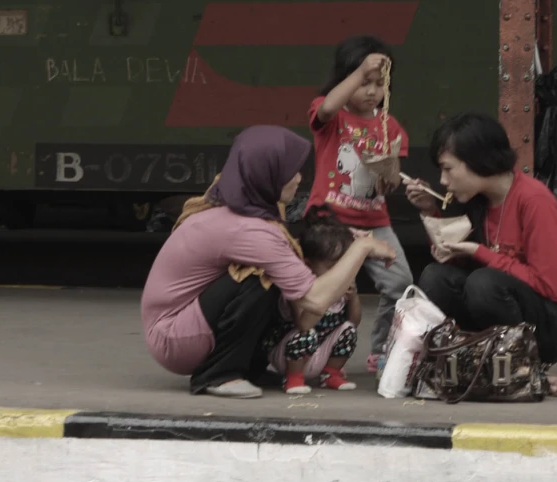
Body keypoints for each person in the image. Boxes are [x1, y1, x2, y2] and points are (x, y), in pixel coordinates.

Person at [141, 125, 397, 399]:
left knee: (277, 276)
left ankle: (246, 368)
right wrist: (361, 247)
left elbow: (284, 248)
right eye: (290, 171)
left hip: (180, 328)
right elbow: (314, 299)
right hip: (175, 338)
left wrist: (346, 239)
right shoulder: (250, 229)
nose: (299, 178)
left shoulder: (237, 195)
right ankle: (218, 374)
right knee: (257, 281)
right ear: (268, 175)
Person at [405, 112, 557, 396]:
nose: (443, 180)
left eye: (448, 169)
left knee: (483, 283)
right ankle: (452, 362)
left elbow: (546, 284)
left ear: (478, 160)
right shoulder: (478, 201)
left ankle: (527, 369)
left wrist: (481, 252)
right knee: (435, 276)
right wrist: (430, 210)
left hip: (553, 326)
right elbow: (457, 267)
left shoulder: (534, 201)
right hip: (500, 312)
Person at [305, 35, 412, 374]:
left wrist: (388, 176)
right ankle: (303, 352)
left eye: (379, 84)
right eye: (363, 82)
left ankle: (381, 351)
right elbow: (325, 108)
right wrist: (361, 69)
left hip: (374, 223)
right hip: (330, 220)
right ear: (345, 79)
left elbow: (391, 181)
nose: (371, 91)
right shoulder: (333, 118)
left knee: (400, 284)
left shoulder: (390, 127)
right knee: (322, 292)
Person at [262, 205, 362, 394]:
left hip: (320, 351)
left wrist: (354, 296)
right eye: (333, 267)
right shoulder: (299, 287)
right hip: (288, 353)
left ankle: (330, 373)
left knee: (348, 330)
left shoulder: (342, 286)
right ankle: (293, 378)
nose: (340, 273)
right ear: (308, 265)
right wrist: (328, 294)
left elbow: (354, 321)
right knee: (306, 334)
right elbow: (303, 324)